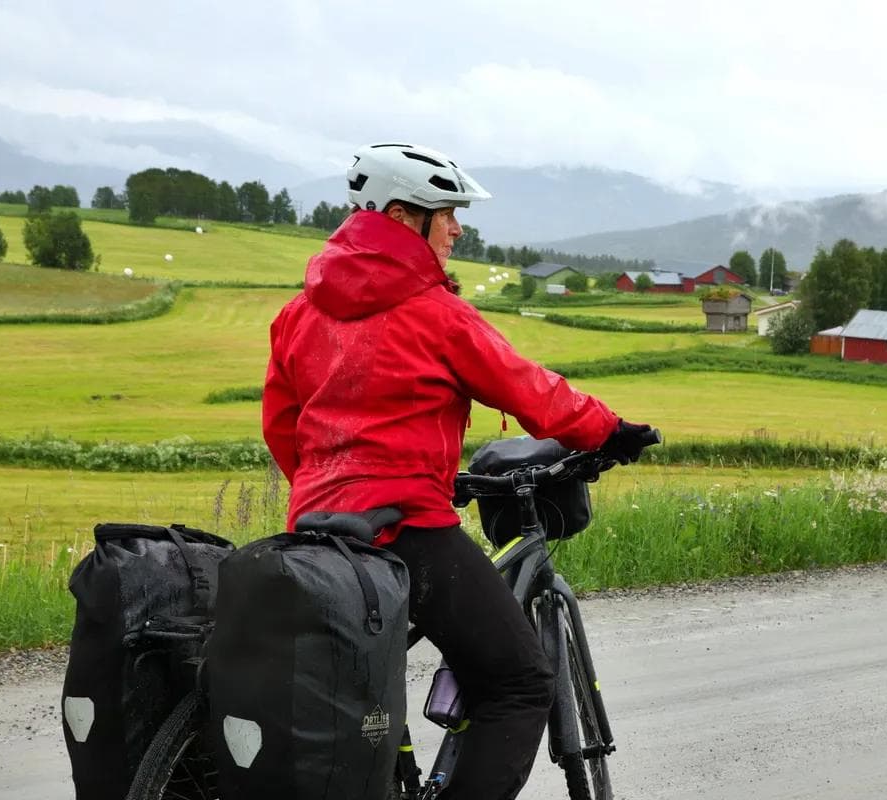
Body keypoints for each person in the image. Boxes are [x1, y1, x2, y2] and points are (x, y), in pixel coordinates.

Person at [262, 142, 654, 799]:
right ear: (400, 216)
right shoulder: (434, 314)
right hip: (405, 525)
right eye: (446, 212)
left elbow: (282, 424)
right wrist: (610, 430)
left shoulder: (300, 313)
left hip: (315, 530)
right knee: (520, 682)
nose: (458, 227)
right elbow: (528, 389)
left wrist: (325, 489)